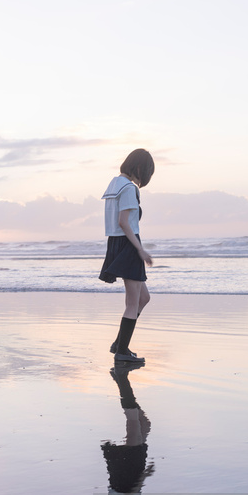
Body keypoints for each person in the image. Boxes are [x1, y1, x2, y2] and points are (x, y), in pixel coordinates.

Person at [99, 149, 155, 362]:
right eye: (146, 173)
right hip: (129, 244)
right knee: (133, 303)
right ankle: (122, 352)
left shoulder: (114, 185)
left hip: (116, 242)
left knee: (144, 297)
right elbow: (124, 221)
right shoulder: (129, 188)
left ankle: (119, 343)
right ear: (139, 168)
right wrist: (139, 249)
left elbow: (119, 222)